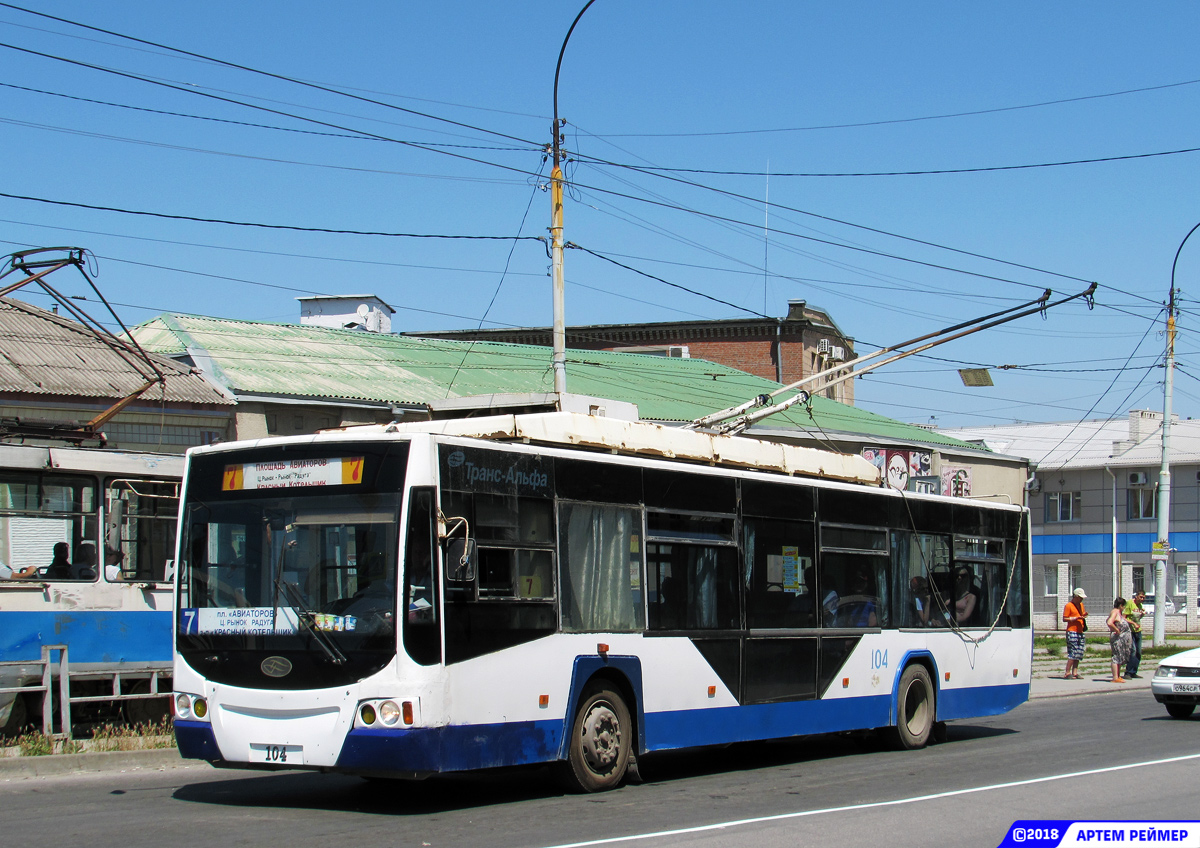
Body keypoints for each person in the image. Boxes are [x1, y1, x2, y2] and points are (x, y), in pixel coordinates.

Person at [1062, 587, 1088, 679]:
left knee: (1079, 652)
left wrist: (1083, 616)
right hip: (1072, 631)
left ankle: (1075, 672)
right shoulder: (1068, 605)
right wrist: (1074, 618)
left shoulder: (1081, 605)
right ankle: (1067, 672)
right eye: (1080, 597)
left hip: (1080, 631)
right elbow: (1065, 618)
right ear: (1076, 596)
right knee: (1073, 653)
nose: (1081, 599)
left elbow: (1082, 615)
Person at [1106, 597, 1132, 683]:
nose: (1124, 608)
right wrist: (1116, 629)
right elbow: (1109, 622)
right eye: (1123, 606)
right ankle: (1115, 677)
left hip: (1122, 639)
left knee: (1120, 657)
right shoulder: (1115, 611)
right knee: (1116, 657)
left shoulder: (1118, 613)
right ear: (1121, 605)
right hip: (1117, 639)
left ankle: (1118, 676)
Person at [1123, 591, 1146, 678]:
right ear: (1136, 596)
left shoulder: (1140, 605)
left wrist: (1142, 615)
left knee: (1138, 652)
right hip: (1130, 631)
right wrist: (1133, 623)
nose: (1142, 599)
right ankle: (1128, 672)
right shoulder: (1130, 603)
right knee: (1133, 651)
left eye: (1143, 598)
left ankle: (1134, 671)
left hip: (1138, 630)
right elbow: (1124, 617)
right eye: (1141, 597)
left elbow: (1138, 617)